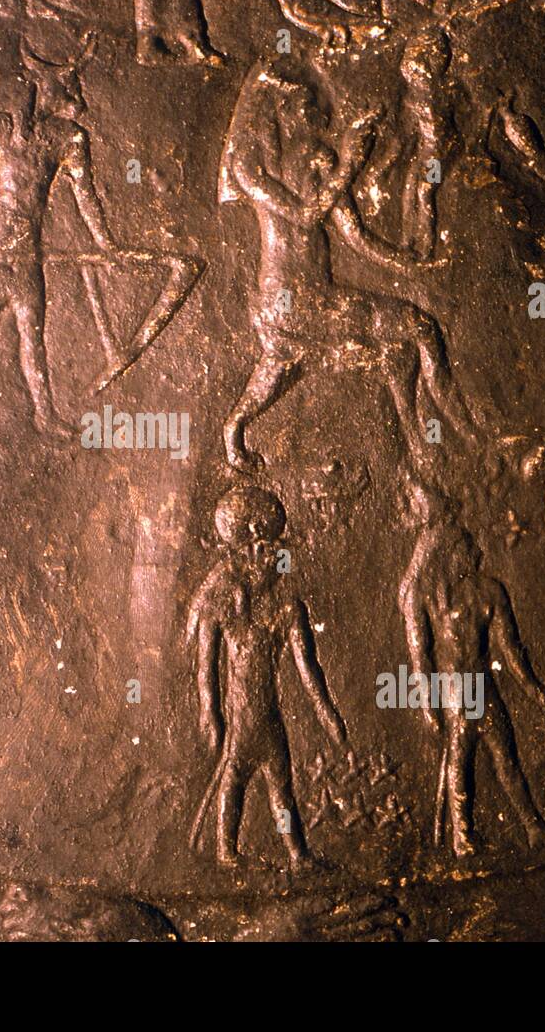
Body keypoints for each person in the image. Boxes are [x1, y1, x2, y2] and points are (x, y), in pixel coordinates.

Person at [218, 61, 475, 471]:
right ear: (280, 112)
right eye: (305, 107)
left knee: (378, 351)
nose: (316, 117)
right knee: (420, 328)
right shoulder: (252, 169)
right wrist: (351, 164)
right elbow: (305, 216)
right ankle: (468, 434)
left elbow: (354, 235)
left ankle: (423, 445)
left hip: (292, 302)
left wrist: (406, 262)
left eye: (316, 107)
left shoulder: (316, 160)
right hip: (296, 299)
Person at [0, 35, 116, 436]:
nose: (77, 98)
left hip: (28, 251)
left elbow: (85, 196)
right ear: (47, 85)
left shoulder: (69, 138)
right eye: (69, 85)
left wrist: (106, 244)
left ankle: (43, 413)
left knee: (29, 331)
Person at [397, 481, 545, 855]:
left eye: (468, 543)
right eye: (461, 544)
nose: (472, 549)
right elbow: (420, 655)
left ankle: (526, 828)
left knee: (496, 758)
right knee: (469, 758)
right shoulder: (430, 595)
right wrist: (428, 703)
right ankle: (465, 836)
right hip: (464, 691)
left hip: (475, 689)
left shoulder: (486, 591)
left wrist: (535, 691)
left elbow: (511, 652)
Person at [187, 487, 346, 867]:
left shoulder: (288, 610)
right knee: (235, 782)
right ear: (246, 554)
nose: (271, 559)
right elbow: (205, 671)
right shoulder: (221, 608)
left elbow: (309, 672)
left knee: (281, 789)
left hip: (269, 720)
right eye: (262, 552)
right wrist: (210, 714)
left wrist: (328, 716)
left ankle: (296, 853)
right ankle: (226, 850)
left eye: (276, 553)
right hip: (242, 721)